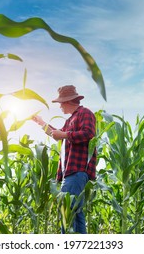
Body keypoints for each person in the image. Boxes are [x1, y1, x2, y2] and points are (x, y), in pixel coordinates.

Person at [32, 85, 97, 234]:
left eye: (60, 102)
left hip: (77, 171)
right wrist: (41, 123)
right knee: (75, 214)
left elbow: (88, 133)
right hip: (69, 172)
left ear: (68, 101)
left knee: (67, 212)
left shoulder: (84, 113)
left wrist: (65, 135)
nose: (60, 106)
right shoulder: (70, 120)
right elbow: (58, 133)